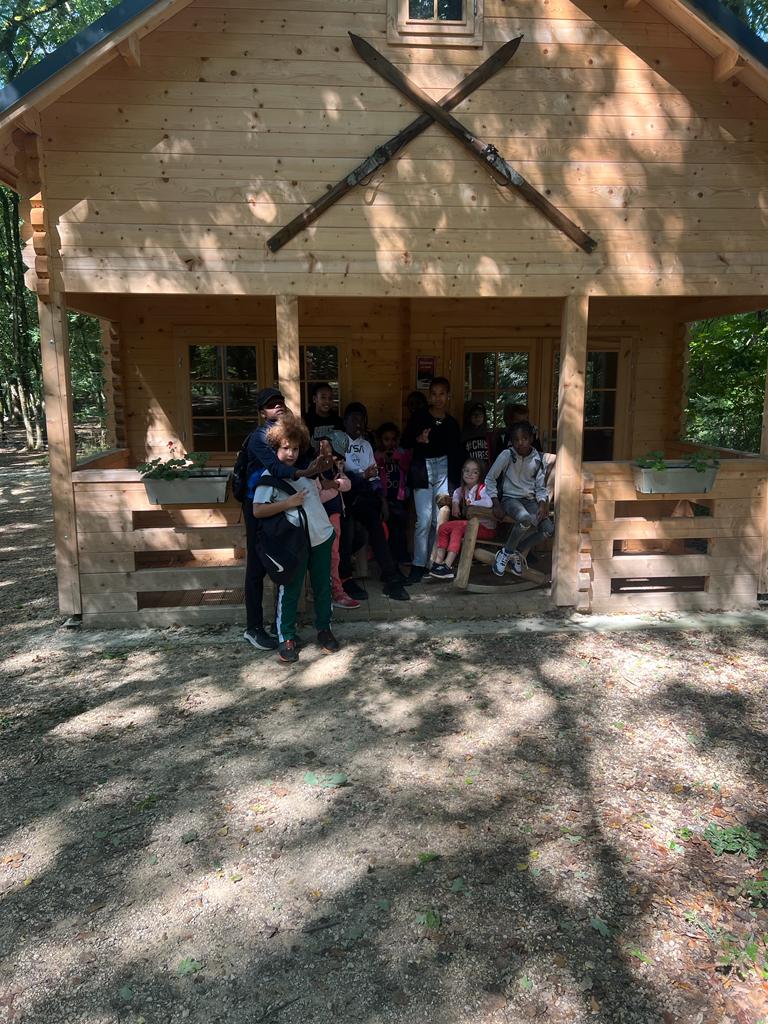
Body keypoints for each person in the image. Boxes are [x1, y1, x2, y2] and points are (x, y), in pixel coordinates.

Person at [242, 387, 331, 651]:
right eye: (270, 404)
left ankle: (280, 626)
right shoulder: (260, 437)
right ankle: (254, 627)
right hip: (259, 500)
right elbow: (277, 468)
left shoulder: (289, 435)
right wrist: (304, 473)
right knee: (258, 566)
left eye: (280, 401)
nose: (277, 406)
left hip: (287, 507)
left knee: (283, 566)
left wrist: (320, 460)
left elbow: (302, 461)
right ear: (262, 412)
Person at [341, 402, 410, 601]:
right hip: (344, 497)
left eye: (362, 420)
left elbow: (375, 477)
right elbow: (340, 475)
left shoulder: (366, 445)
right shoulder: (339, 443)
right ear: (345, 421)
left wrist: (382, 499)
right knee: (348, 531)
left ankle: (390, 576)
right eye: (354, 419)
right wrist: (362, 476)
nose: (358, 424)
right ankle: (345, 579)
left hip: (364, 496)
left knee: (378, 526)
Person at [401, 377, 462, 583]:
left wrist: (453, 486)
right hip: (422, 470)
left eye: (442, 394)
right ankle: (418, 565)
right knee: (424, 519)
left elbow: (455, 455)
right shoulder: (420, 417)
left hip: (444, 470)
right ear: (430, 396)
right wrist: (418, 439)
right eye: (434, 394)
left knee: (438, 520)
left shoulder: (452, 423)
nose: (438, 398)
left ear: (448, 396)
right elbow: (404, 441)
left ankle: (432, 562)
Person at [484, 420, 553, 577]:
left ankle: (515, 551)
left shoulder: (537, 459)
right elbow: (490, 479)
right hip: (510, 500)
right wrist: (496, 503)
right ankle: (506, 553)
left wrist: (542, 504)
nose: (520, 443)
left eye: (524, 439)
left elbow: (540, 488)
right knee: (525, 519)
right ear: (511, 441)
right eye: (516, 440)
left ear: (531, 439)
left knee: (549, 529)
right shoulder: (507, 455)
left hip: (530, 501)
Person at [312, 428, 361, 610]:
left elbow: (347, 484)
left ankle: (336, 590)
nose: (335, 458)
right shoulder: (312, 468)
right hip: (319, 517)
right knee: (322, 556)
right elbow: (316, 495)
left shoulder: (333, 468)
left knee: (334, 555)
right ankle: (325, 591)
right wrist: (335, 488)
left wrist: (333, 484)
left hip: (334, 516)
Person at [429, 459, 495, 580]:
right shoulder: (465, 489)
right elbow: (456, 492)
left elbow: (489, 502)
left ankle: (447, 565)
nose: (470, 474)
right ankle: (438, 563)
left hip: (486, 529)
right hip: (472, 526)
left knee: (458, 528)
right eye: (467, 471)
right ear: (462, 472)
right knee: (443, 528)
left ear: (480, 475)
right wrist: (455, 503)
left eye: (475, 472)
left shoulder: (483, 489)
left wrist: (472, 504)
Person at [375, 422, 412, 566]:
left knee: (400, 526)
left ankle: (401, 555)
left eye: (393, 439)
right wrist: (383, 458)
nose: (390, 443)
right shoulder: (376, 454)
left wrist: (397, 457)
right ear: (380, 440)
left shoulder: (401, 453)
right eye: (386, 439)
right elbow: (375, 470)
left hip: (399, 496)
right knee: (387, 527)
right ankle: (389, 557)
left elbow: (406, 465)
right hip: (384, 497)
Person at [461, 402, 494, 473]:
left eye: (480, 414)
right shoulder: (463, 436)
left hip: (485, 472)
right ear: (469, 416)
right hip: (469, 472)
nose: (477, 417)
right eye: (474, 414)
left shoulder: (489, 436)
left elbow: (492, 457)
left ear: (484, 417)